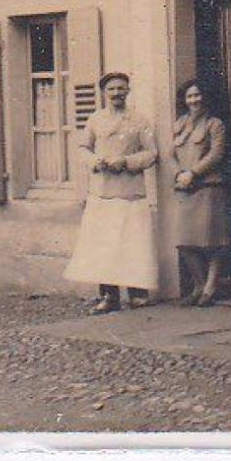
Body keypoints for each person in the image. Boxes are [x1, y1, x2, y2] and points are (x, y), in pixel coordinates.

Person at [63, 71, 159, 314]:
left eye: (121, 88)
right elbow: (82, 149)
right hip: (103, 193)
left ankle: (137, 294)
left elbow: (151, 154)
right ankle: (108, 296)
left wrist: (126, 162)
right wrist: (96, 161)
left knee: (133, 244)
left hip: (131, 193)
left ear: (128, 91)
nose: (117, 93)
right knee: (103, 246)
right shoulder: (95, 120)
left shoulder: (140, 121)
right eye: (112, 89)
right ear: (103, 93)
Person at [171, 80, 229, 307]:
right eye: (190, 96)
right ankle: (198, 284)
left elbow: (216, 154)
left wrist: (193, 173)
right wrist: (179, 174)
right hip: (184, 189)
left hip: (208, 187)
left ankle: (210, 288)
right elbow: (170, 154)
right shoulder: (180, 124)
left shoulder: (215, 124)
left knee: (212, 241)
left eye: (198, 95)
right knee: (184, 242)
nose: (194, 100)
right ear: (184, 100)